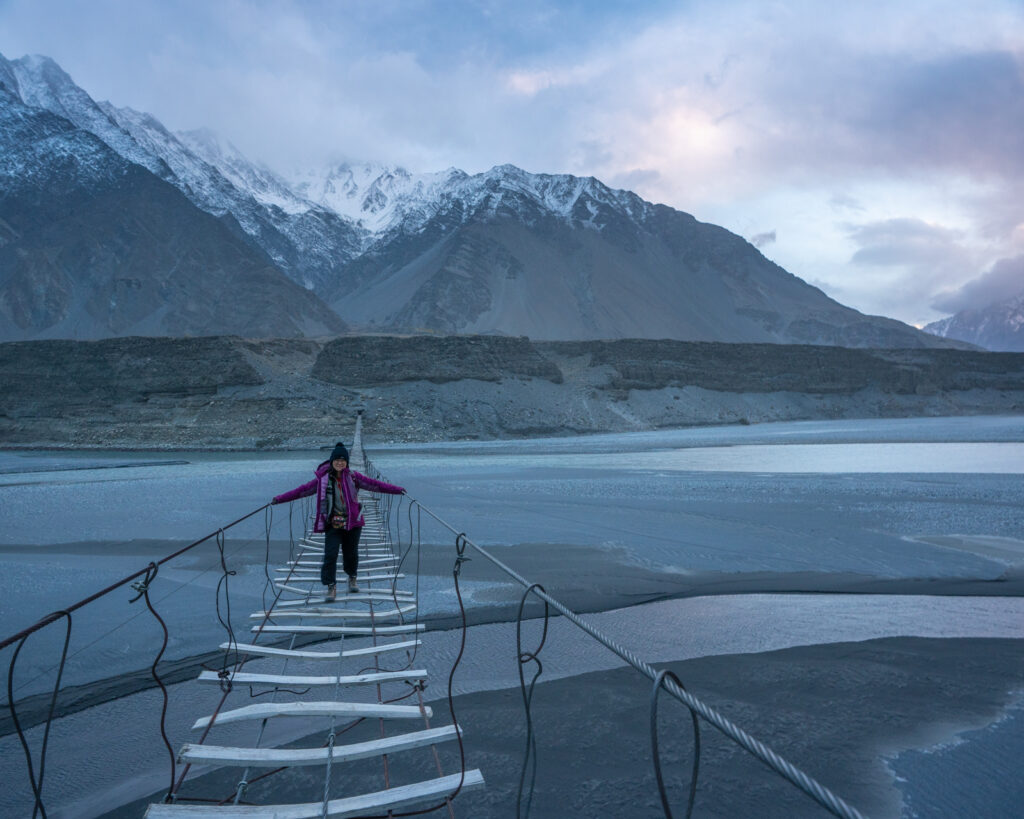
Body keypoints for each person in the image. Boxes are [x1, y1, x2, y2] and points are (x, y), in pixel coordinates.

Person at [272, 442, 404, 600]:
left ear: (347, 462)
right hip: (332, 523)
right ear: (332, 461)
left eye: (343, 460)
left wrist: (397, 490)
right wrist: (279, 499)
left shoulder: (354, 477)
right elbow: (302, 491)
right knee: (330, 554)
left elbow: (375, 485)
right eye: (337, 460)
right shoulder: (322, 480)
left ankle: (352, 577)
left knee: (351, 554)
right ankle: (331, 586)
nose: (340, 462)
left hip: (352, 523)